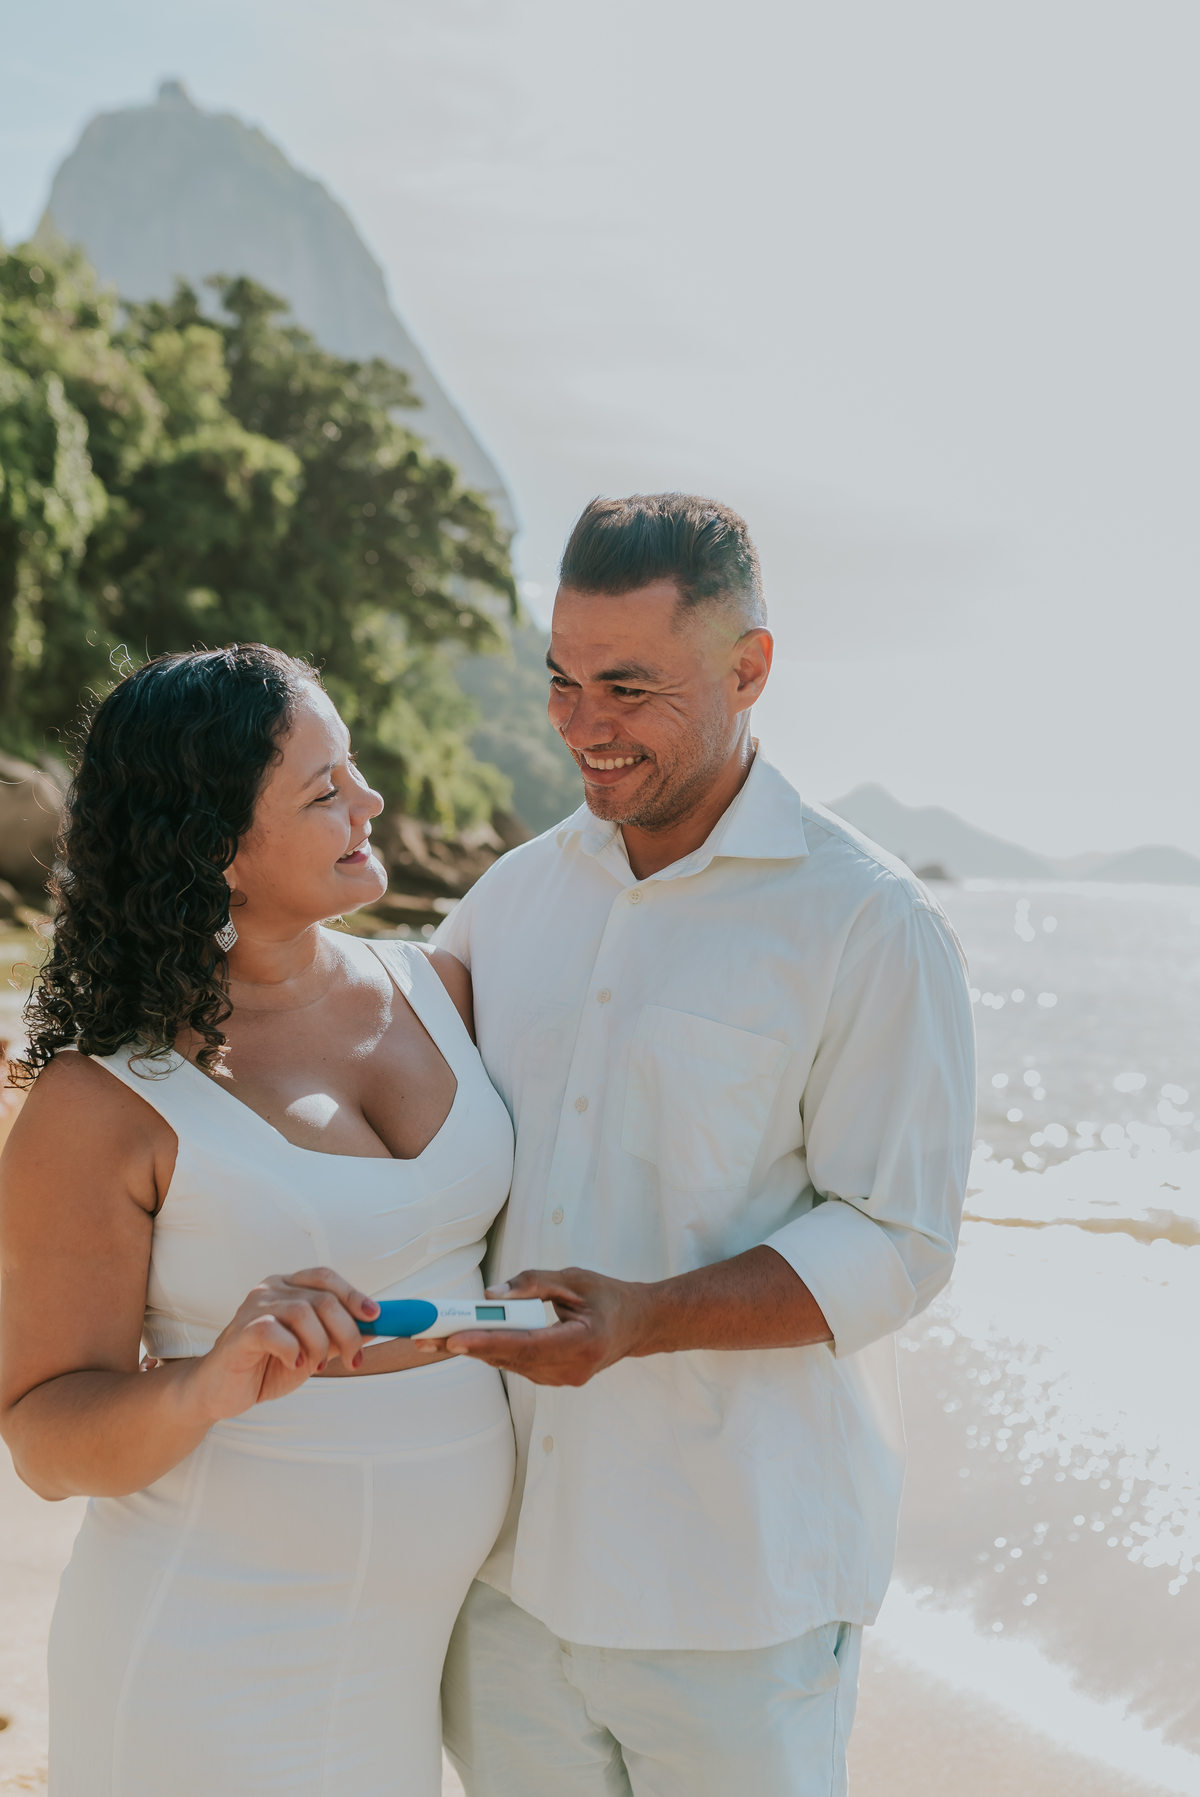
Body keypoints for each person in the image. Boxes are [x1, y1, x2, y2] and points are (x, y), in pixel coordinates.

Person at [429, 494, 977, 1797]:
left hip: (737, 1594)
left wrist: (646, 1318)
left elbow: (897, 1239)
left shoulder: (869, 924)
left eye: (629, 687)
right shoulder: (508, 900)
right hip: (501, 1578)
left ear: (749, 669)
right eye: (562, 680)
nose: (583, 724)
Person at [0, 645, 516, 1796]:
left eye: (353, 768)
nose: (369, 802)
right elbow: (42, 1436)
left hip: (407, 1670)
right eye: (325, 789)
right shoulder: (101, 1104)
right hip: (207, 1662)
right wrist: (204, 1384)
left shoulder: (444, 989)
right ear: (216, 849)